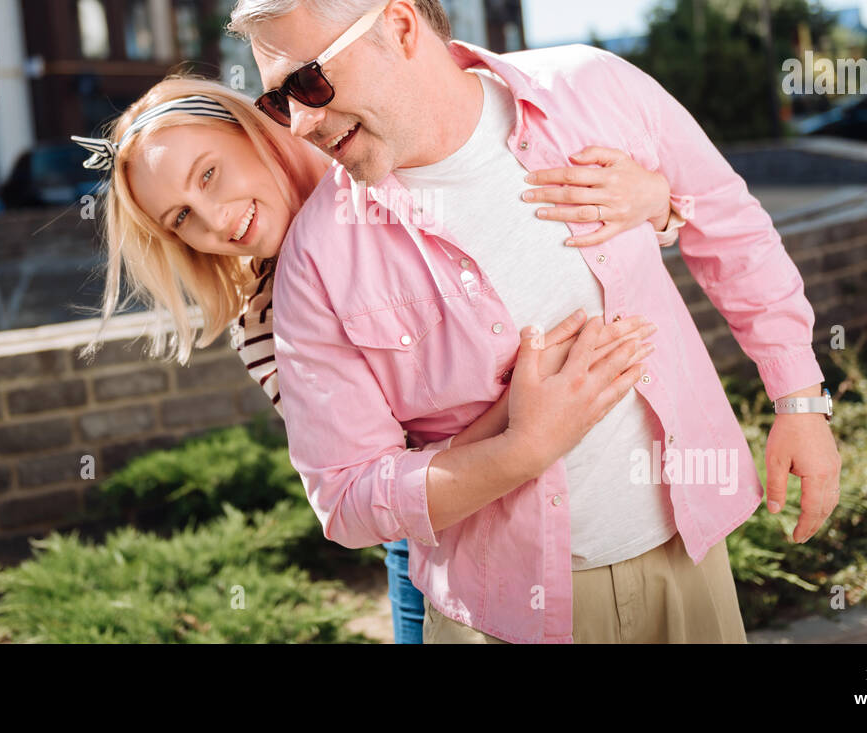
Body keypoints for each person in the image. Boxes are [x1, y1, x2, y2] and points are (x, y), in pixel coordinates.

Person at [227, 0, 842, 643]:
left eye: (310, 82)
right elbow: (347, 496)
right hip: (498, 615)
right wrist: (521, 447)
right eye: (275, 100)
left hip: (687, 566)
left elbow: (727, 223)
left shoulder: (595, 88)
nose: (297, 123)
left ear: (398, 25)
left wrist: (800, 401)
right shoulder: (318, 262)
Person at [73, 77, 685, 643]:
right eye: (181, 218)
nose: (214, 219)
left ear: (253, 130)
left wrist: (656, 203)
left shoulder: (391, 161)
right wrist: (525, 423)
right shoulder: (264, 319)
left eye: (208, 175)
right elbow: (371, 476)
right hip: (440, 538)